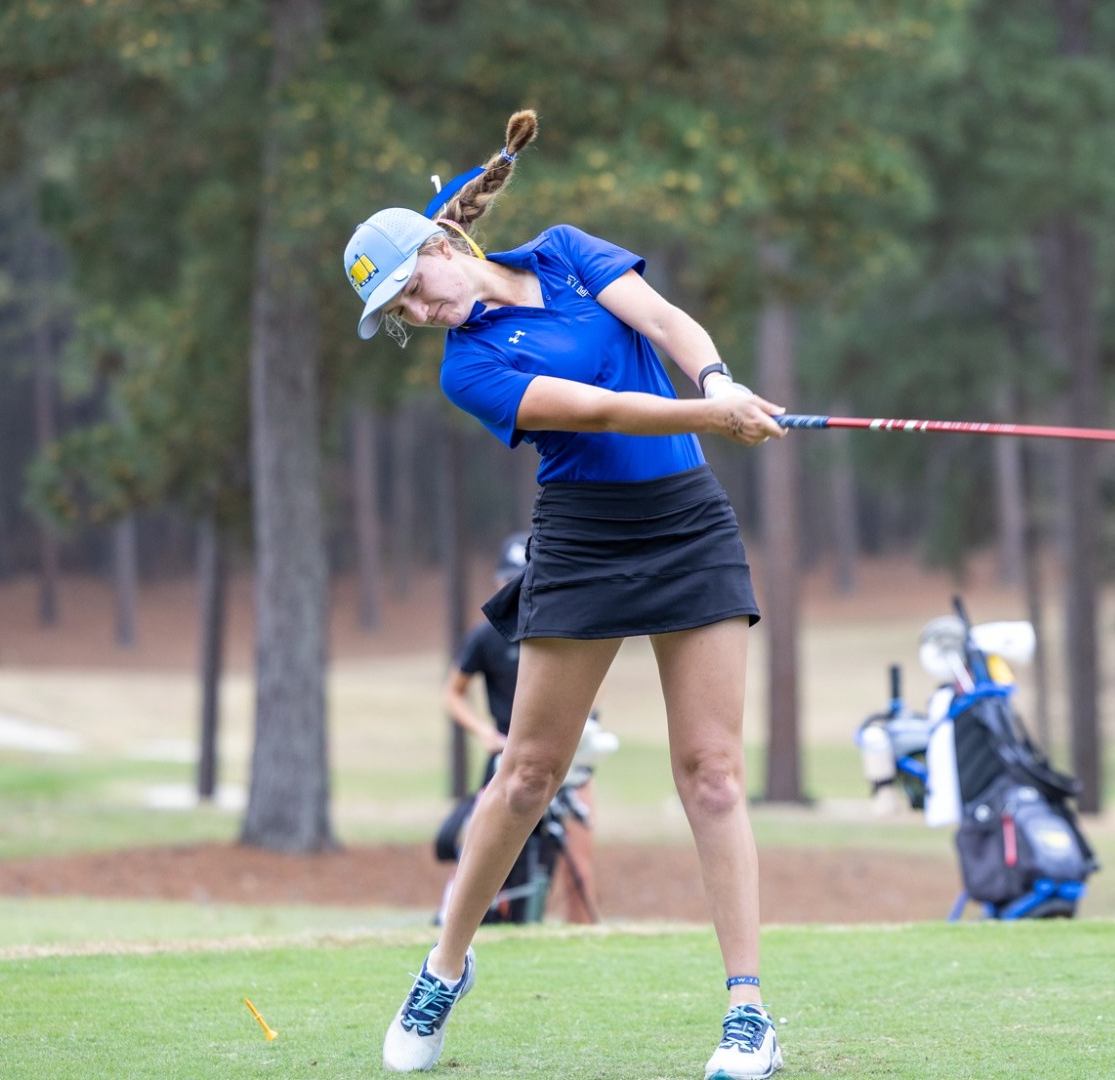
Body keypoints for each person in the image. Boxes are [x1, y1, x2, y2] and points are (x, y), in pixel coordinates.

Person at [343, 110, 787, 1079]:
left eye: (413, 288)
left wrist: (717, 376)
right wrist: (711, 412)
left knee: (711, 769)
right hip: (585, 539)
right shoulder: (470, 368)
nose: (420, 314)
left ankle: (748, 1014)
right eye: (402, 316)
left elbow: (666, 325)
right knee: (529, 775)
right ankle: (443, 969)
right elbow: (598, 410)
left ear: (444, 243)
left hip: (687, 524)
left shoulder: (567, 253)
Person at [442, 531, 597, 925]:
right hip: (507, 759)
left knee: (577, 860)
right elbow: (453, 694)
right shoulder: (485, 638)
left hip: (567, 759)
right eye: (509, 579)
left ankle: (577, 937)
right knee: (492, 850)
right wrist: (482, 732)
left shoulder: (560, 634)